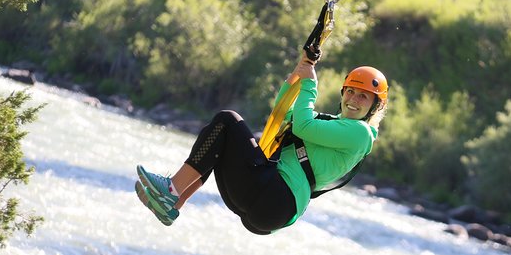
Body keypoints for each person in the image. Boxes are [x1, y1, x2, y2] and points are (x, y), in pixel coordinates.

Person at [135, 51, 388, 234]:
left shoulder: (361, 134)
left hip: (275, 199)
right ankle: (173, 203)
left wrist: (310, 84)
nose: (354, 99)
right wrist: (296, 78)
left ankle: (171, 191)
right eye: (351, 91)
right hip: (267, 203)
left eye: (364, 97)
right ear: (343, 93)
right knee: (220, 140)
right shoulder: (332, 124)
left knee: (226, 120)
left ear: (375, 106)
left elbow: (302, 125)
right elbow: (283, 116)